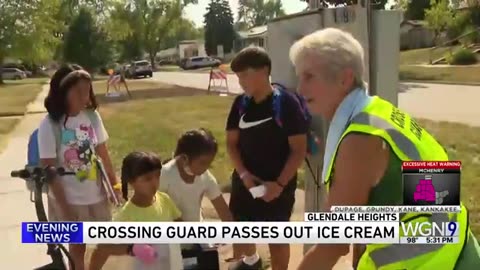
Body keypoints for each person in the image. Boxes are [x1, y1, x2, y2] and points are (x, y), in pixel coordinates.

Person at [290, 28, 480, 270]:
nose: (299, 89)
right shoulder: (380, 112)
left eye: (309, 76)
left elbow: (333, 244)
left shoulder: (359, 141)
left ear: (344, 79)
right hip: (459, 250)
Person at [226, 47, 308, 270]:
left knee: (277, 238)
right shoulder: (240, 104)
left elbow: (299, 149)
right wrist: (243, 175)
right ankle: (251, 261)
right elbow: (231, 143)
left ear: (263, 71)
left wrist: (279, 184)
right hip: (245, 182)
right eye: (238, 77)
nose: (241, 82)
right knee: (241, 229)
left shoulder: (286, 104)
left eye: (244, 75)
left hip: (278, 184)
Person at [39, 65, 120, 270]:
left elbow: (103, 154)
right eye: (78, 92)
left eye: (87, 91)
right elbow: (49, 171)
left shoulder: (92, 117)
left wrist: (115, 186)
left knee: (108, 241)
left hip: (96, 194)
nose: (85, 97)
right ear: (62, 91)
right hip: (69, 199)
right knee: (77, 246)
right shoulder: (50, 125)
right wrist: (65, 208)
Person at [89, 151, 183, 270]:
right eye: (148, 179)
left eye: (157, 176)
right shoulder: (126, 216)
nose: (154, 183)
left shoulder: (164, 200)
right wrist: (132, 249)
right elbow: (103, 248)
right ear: (132, 181)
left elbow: (180, 224)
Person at [159, 128, 232, 223]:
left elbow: (223, 211)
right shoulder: (164, 175)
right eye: (202, 163)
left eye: (209, 164)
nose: (206, 168)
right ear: (184, 158)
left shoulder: (205, 177)